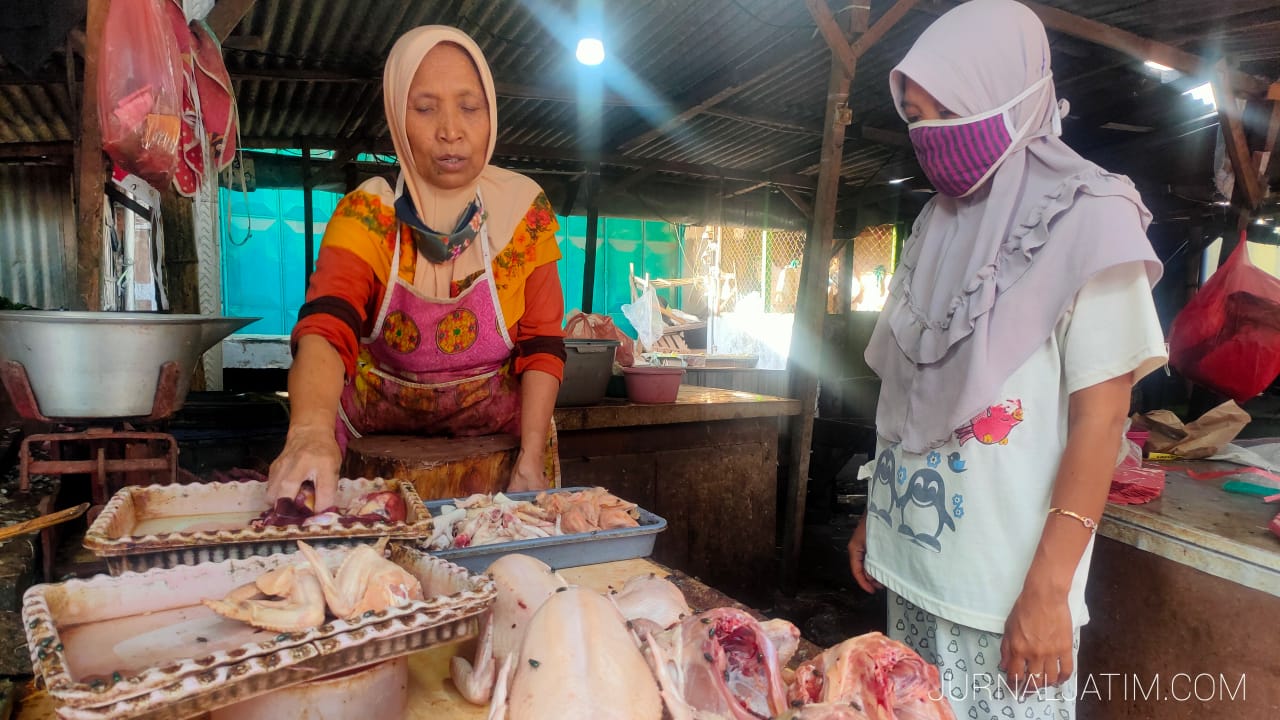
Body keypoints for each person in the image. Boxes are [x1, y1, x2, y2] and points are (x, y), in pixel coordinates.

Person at [847, 2, 1167, 718]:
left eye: (943, 112)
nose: (926, 137)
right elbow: (908, 393)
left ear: (1004, 96)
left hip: (1005, 597)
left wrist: (1050, 591)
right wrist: (880, 510)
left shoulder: (1089, 215)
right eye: (914, 117)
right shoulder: (935, 223)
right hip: (914, 570)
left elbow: (1101, 419)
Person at [268, 26, 566, 511]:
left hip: (501, 454)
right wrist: (308, 431)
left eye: (470, 107)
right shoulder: (368, 214)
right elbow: (327, 325)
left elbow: (542, 342)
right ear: (396, 117)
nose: (450, 129)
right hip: (372, 453)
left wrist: (530, 458)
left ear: (492, 114)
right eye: (425, 108)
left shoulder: (522, 212)